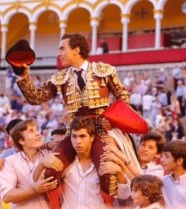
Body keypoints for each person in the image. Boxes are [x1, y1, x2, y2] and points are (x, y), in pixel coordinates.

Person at [11, 33, 138, 205]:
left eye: (62, 48)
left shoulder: (104, 71)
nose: (59, 53)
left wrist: (114, 119)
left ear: (76, 50)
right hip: (74, 130)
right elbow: (36, 97)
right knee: (50, 173)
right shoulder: (61, 78)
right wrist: (24, 76)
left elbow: (123, 95)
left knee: (109, 177)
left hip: (100, 128)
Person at [33, 116, 128, 209]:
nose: (78, 141)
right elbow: (36, 183)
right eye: (74, 136)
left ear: (91, 138)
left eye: (82, 136)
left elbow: (124, 196)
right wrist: (41, 164)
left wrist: (119, 173)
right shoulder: (65, 164)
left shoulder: (104, 161)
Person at [0, 119, 59, 208]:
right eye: (31, 131)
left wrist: (48, 145)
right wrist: (35, 190)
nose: (38, 134)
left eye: (37, 129)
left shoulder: (50, 154)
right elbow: (7, 196)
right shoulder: (10, 161)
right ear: (21, 140)